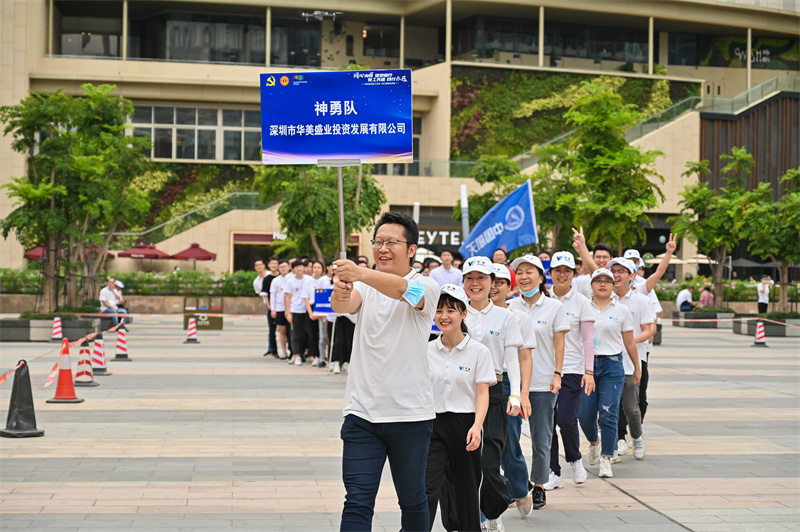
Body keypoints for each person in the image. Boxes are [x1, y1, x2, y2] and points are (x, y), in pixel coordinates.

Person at [331, 211, 440, 532]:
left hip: (410, 417)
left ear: (411, 250)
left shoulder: (426, 286)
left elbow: (403, 291)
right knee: (357, 500)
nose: (383, 248)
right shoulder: (366, 287)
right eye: (378, 242)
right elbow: (344, 306)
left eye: (392, 242)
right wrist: (342, 287)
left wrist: (360, 272)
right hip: (361, 415)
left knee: (412, 500)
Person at [425, 284, 495, 532]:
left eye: (451, 310)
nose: (444, 316)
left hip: (465, 425)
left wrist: (477, 426)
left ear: (464, 314)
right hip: (432, 425)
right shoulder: (427, 349)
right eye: (439, 310)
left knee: (467, 490)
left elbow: (482, 392)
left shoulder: (479, 352)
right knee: (427, 489)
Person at [507, 255, 570, 512]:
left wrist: (558, 373)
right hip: (514, 383)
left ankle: (540, 485)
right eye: (519, 272)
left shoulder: (554, 307)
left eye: (529, 271)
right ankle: (518, 485)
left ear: (540, 276)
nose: (523, 276)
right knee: (509, 439)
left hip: (543, 382)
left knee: (541, 437)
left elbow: (559, 343)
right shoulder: (510, 307)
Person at [578, 268, 640, 478]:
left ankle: (606, 457)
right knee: (585, 414)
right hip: (586, 366)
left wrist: (636, 367)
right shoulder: (583, 307)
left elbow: (629, 341)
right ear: (591, 284)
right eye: (598, 281)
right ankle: (594, 442)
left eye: (607, 281)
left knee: (609, 413)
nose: (602, 284)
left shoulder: (621, 310)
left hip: (612, 365)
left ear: (614, 285)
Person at [488, 262, 538, 517]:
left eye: (500, 282)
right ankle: (489, 497)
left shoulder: (518, 317)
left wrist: (523, 393)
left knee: (509, 441)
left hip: (508, 383)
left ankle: (519, 489)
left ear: (510, 286)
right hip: (475, 384)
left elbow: (525, 358)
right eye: (491, 281)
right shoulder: (467, 312)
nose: (494, 286)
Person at [543, 252, 596, 491]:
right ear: (550, 273)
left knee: (565, 418)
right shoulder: (543, 299)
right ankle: (553, 470)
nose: (561, 274)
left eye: (567, 270)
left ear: (574, 274)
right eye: (557, 270)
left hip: (572, 369)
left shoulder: (582, 302)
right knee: (547, 422)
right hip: (544, 368)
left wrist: (589, 370)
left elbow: (587, 340)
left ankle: (574, 458)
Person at [608, 257, 654, 462]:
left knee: (632, 408)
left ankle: (636, 437)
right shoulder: (603, 299)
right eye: (613, 271)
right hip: (608, 360)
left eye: (621, 271)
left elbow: (650, 329)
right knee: (609, 407)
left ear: (632, 276)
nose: (616, 275)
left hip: (631, 360)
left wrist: (630, 341)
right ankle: (615, 443)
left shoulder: (641, 301)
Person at [285, 260, 316, 366]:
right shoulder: (290, 281)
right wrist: (288, 312)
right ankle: (296, 355)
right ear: (292, 269)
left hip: (308, 310)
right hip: (296, 309)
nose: (299, 269)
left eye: (300, 266)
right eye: (296, 267)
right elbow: (287, 297)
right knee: (295, 334)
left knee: (309, 334)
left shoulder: (310, 279)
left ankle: (309, 355)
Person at [253, 257, 279, 358]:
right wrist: (269, 306)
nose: (259, 267)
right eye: (257, 265)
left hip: (280, 305)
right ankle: (272, 349)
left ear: (265, 265)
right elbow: (262, 295)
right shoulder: (256, 282)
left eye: (260, 264)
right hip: (269, 307)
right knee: (271, 329)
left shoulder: (271, 274)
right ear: (255, 268)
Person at [270, 259, 292, 360]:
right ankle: (284, 351)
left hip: (292, 309)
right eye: (281, 267)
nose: (283, 268)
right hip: (279, 309)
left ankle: (293, 351)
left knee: (292, 331)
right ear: (279, 268)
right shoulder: (275, 281)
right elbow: (272, 296)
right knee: (282, 331)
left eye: (285, 266)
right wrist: (273, 309)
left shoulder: (292, 278)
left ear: (289, 267)